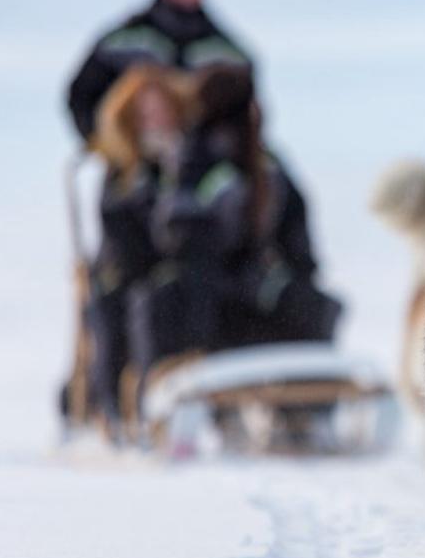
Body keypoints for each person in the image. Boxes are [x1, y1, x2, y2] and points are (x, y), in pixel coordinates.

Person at [127, 68, 342, 400]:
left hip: (242, 292)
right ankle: (303, 406)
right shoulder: (193, 162)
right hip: (211, 296)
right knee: (163, 301)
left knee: (310, 304)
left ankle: (304, 403)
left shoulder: (263, 168)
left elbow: (296, 240)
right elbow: (181, 236)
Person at [79, 64, 198, 432]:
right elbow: (119, 233)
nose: (155, 120)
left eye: (161, 110)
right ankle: (119, 413)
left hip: (183, 275)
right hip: (127, 274)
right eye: (145, 113)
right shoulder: (122, 173)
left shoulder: (193, 163)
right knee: (120, 307)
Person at [66, 0, 252, 143]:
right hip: (136, 156)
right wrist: (102, 141)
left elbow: (247, 107)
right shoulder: (125, 40)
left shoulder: (225, 51)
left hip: (198, 156)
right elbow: (81, 93)